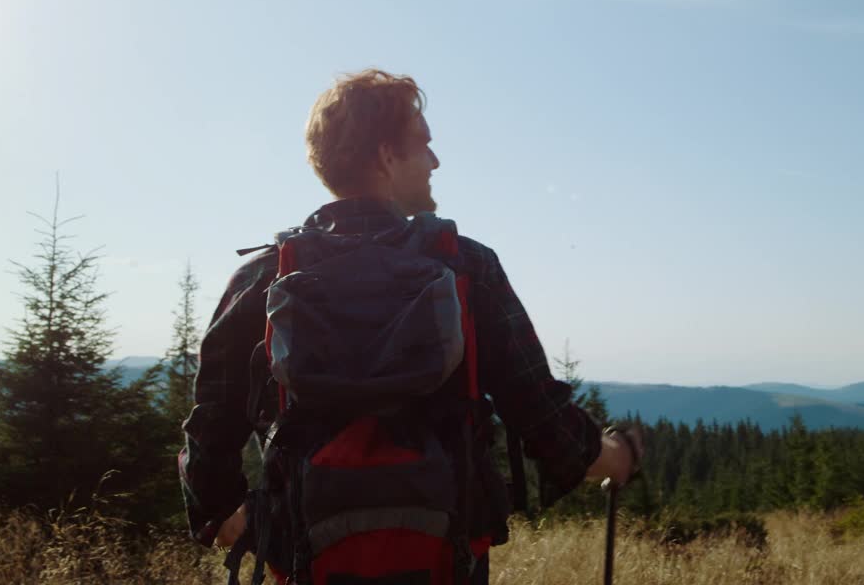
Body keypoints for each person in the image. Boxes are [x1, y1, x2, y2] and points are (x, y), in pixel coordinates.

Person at [179, 68, 642, 582]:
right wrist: (617, 455)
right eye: (423, 144)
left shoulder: (265, 276)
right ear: (385, 156)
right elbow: (546, 425)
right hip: (444, 562)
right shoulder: (466, 268)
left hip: (309, 562)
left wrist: (231, 517)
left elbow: (209, 431)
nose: (435, 160)